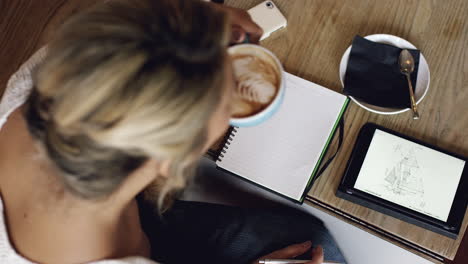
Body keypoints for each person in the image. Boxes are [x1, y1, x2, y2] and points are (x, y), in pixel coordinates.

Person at [0, 0, 345, 263]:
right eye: (227, 108)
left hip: (130, 215)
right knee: (318, 245)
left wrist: (189, 17)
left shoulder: (41, 79)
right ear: (171, 160)